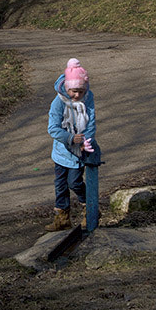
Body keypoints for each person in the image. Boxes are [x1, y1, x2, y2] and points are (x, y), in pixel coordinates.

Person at [45, 58, 96, 231]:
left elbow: (90, 123)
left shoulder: (87, 99)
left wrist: (84, 142)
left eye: (81, 91)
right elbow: (53, 128)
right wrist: (69, 138)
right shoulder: (58, 102)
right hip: (62, 151)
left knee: (74, 182)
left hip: (79, 152)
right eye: (74, 91)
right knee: (60, 185)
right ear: (67, 88)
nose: (77, 95)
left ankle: (90, 207)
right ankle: (63, 218)